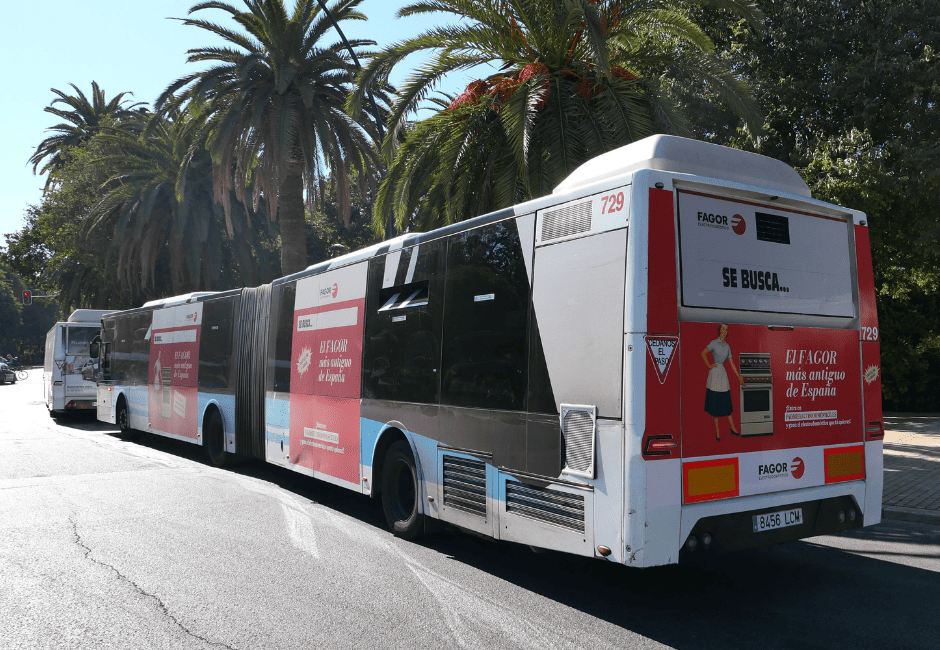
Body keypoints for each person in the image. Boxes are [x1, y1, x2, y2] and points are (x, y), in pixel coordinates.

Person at [701, 324, 745, 441]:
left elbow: (731, 363)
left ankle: (733, 428)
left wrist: (738, 376)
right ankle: (718, 431)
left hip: (723, 374)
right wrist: (709, 365)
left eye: (726, 329)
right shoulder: (714, 343)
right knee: (715, 402)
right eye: (722, 329)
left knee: (726, 401)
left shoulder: (727, 346)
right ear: (719, 330)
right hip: (715, 373)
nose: (724, 331)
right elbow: (703, 353)